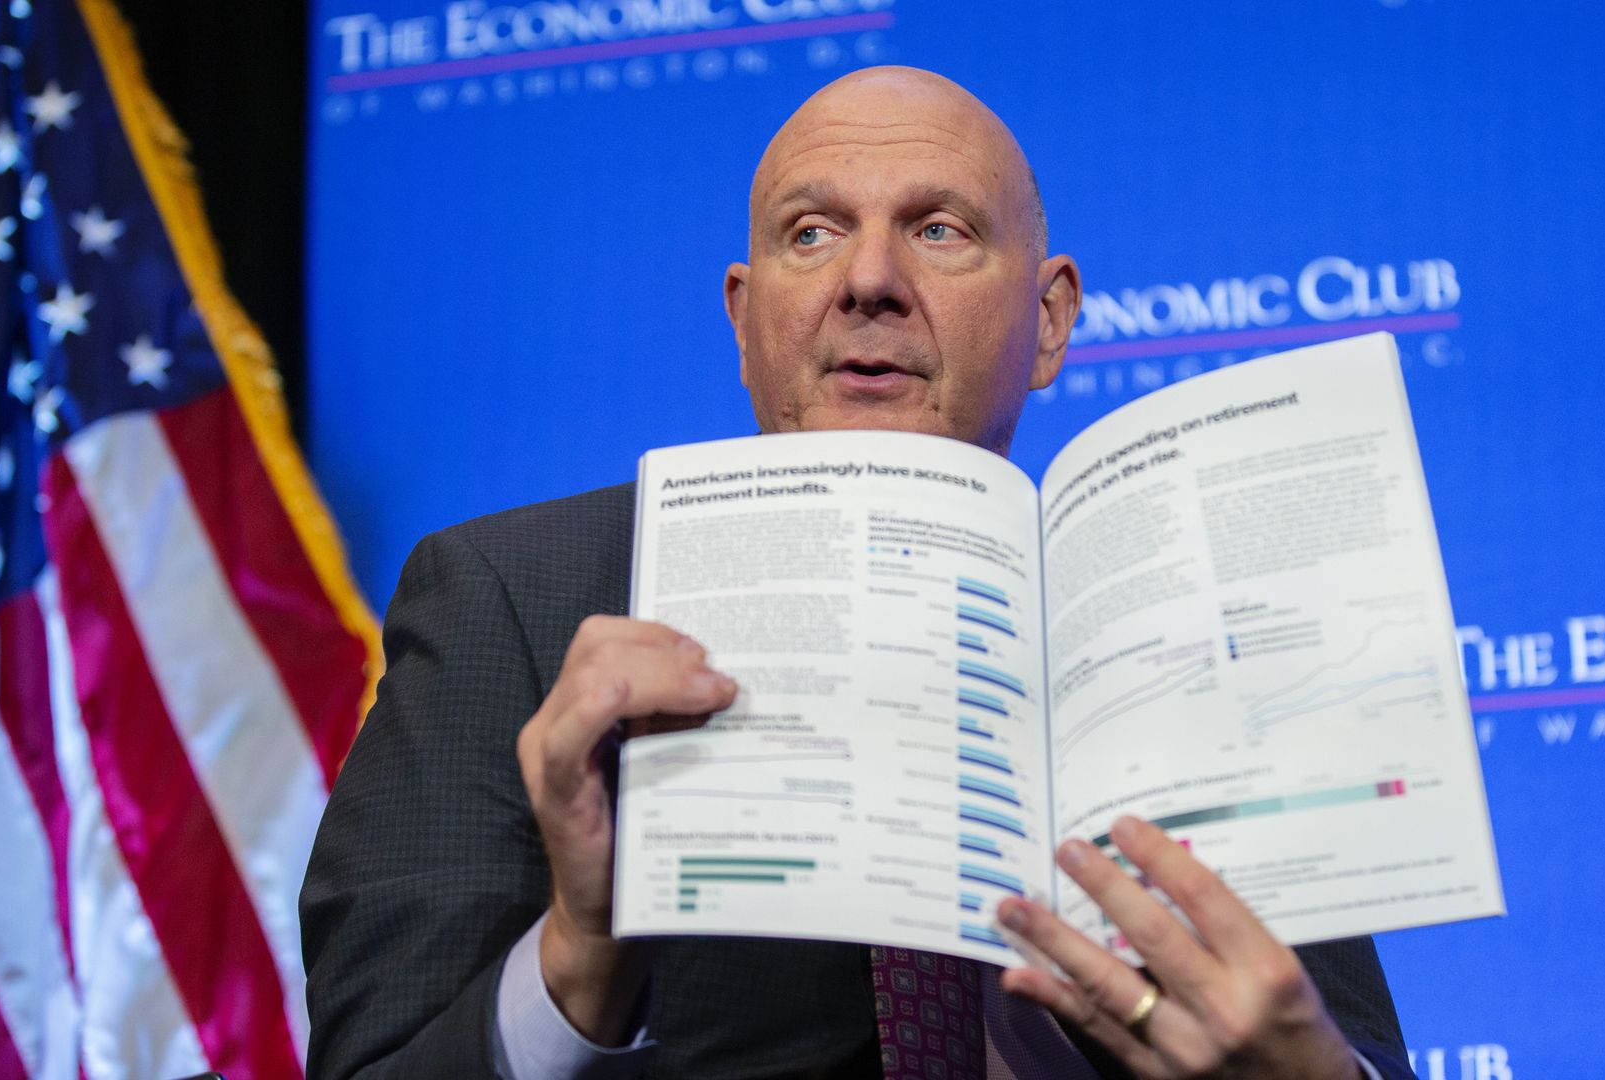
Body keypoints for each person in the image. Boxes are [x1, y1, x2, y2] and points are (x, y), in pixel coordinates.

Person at [301, 67, 1414, 1079]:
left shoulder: (1183, 618)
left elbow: (1352, 1050)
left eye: (938, 230)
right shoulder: (514, 594)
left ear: (1050, 318)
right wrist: (579, 960)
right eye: (812, 232)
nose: (868, 280)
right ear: (745, 319)